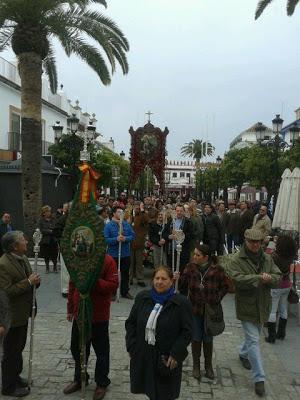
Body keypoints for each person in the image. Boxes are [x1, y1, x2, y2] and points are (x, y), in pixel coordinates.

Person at [125, 266, 193, 400]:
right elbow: (131, 323)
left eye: (164, 279)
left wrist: (176, 353)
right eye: (157, 278)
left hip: (166, 358)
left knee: (165, 393)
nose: (159, 282)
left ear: (171, 281)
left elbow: (187, 332)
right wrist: (132, 346)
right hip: (145, 356)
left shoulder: (180, 303)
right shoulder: (143, 298)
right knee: (149, 390)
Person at [228, 228, 281, 397]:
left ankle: (243, 354)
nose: (255, 245)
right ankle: (259, 378)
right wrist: (258, 278)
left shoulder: (267, 258)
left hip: (263, 304)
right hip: (246, 305)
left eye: (258, 242)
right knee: (253, 340)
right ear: (245, 240)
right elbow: (236, 279)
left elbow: (278, 276)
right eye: (252, 241)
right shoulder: (237, 259)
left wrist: (270, 279)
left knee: (253, 338)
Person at [63, 254, 118, 400]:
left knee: (101, 351)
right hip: (79, 314)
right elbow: (72, 285)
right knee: (77, 348)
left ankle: (101, 382)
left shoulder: (108, 261)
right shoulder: (78, 259)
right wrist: (70, 308)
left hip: (98, 315)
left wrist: (93, 280)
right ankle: (80, 378)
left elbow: (113, 285)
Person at [178, 244, 228, 381]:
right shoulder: (190, 267)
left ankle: (208, 366)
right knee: (196, 337)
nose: (194, 257)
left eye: (198, 255)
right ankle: (195, 365)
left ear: (206, 257)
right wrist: (177, 278)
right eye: (194, 254)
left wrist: (218, 298)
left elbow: (225, 286)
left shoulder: (217, 269)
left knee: (208, 338)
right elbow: (182, 285)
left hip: (210, 310)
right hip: (194, 308)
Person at [0, 231, 40, 397]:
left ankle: (16, 377)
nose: (27, 241)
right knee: (11, 351)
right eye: (23, 240)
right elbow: (6, 291)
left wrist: (35, 281)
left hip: (24, 312)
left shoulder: (23, 258)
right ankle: (8, 386)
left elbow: (30, 280)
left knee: (19, 347)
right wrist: (29, 281)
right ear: (14, 246)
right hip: (11, 315)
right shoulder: (3, 264)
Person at [265, 235, 297, 343]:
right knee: (283, 309)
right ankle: (281, 333)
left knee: (272, 310)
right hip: (287, 285)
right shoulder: (291, 257)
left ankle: (271, 336)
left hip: (276, 285)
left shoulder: (274, 256)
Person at [104, 206, 135, 299]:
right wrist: (116, 239)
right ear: (113, 213)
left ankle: (124, 291)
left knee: (125, 273)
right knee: (112, 274)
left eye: (122, 212)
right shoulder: (108, 225)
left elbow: (132, 236)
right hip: (113, 254)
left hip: (125, 253)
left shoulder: (126, 224)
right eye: (118, 212)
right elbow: (106, 239)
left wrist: (125, 238)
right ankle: (112, 292)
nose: (121, 214)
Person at [165, 204, 193, 272]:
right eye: (177, 211)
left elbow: (190, 235)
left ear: (184, 212)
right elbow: (165, 233)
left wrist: (180, 236)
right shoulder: (171, 221)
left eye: (181, 211)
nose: (179, 212)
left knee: (182, 269)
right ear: (175, 211)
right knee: (171, 269)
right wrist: (169, 236)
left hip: (183, 250)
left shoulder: (188, 222)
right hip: (172, 249)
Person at [130, 202, 149, 287]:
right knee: (130, 262)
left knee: (139, 262)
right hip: (130, 243)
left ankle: (140, 278)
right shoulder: (130, 216)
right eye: (136, 208)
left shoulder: (142, 216)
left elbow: (147, 221)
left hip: (139, 242)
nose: (137, 210)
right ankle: (129, 278)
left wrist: (143, 211)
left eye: (138, 208)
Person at [38, 205, 59, 273]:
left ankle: (55, 267)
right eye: (47, 211)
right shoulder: (41, 220)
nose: (49, 213)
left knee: (54, 254)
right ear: (44, 213)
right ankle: (47, 268)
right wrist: (50, 231)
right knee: (46, 255)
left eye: (50, 211)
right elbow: (42, 230)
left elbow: (55, 227)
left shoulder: (53, 219)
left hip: (53, 240)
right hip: (45, 241)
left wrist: (51, 230)